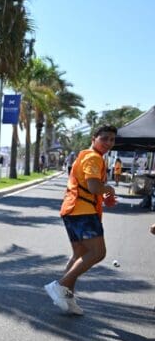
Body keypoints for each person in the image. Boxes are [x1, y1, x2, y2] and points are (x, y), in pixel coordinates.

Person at [44, 125, 118, 316]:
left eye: (112, 139)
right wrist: (108, 189)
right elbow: (94, 186)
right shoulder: (93, 157)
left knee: (80, 254)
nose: (109, 143)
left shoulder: (87, 155)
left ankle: (67, 298)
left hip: (72, 209)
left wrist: (104, 196)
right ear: (94, 138)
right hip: (82, 211)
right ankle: (60, 286)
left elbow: (90, 187)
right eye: (105, 138)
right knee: (97, 252)